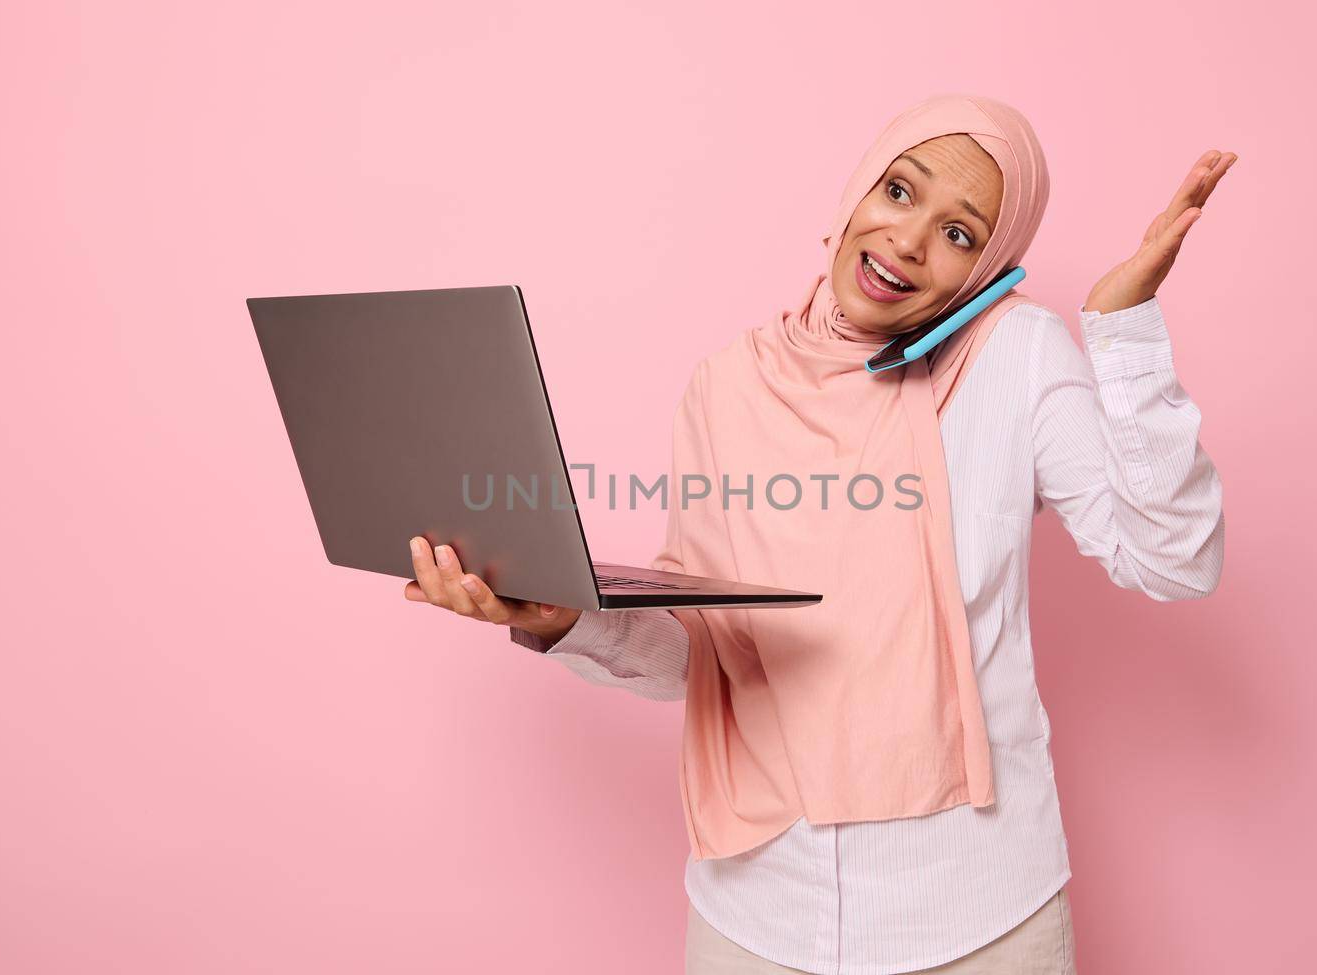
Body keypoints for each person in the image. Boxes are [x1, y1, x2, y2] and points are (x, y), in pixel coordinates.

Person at [404, 93, 1232, 975]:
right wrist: (553, 614)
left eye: (961, 234)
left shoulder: (1017, 357)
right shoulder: (728, 384)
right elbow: (703, 653)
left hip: (978, 920)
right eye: (900, 190)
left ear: (989, 267)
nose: (909, 241)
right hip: (756, 918)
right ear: (855, 196)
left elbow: (1173, 559)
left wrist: (1124, 332)